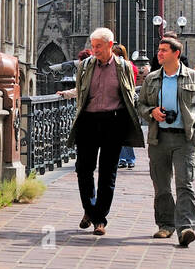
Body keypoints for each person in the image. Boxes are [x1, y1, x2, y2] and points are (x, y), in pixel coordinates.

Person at [58, 27, 143, 235]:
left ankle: (99, 219)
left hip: (113, 121)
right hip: (88, 120)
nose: (94, 50)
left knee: (108, 173)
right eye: (93, 46)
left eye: (98, 46)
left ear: (110, 46)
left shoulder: (123, 67)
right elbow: (82, 89)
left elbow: (129, 93)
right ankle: (90, 208)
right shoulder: (86, 66)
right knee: (84, 169)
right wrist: (68, 94)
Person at [138, 37, 195, 246]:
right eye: (159, 50)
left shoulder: (194, 78)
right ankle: (165, 225)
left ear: (176, 53)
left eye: (164, 50)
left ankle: (186, 228)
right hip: (158, 138)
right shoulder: (152, 79)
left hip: (184, 139)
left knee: (184, 184)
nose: (159, 54)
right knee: (161, 186)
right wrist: (152, 112)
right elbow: (140, 105)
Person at [116, 44, 140, 170]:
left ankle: (127, 159)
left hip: (125, 102)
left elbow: (131, 83)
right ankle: (125, 159)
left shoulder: (128, 66)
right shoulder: (129, 66)